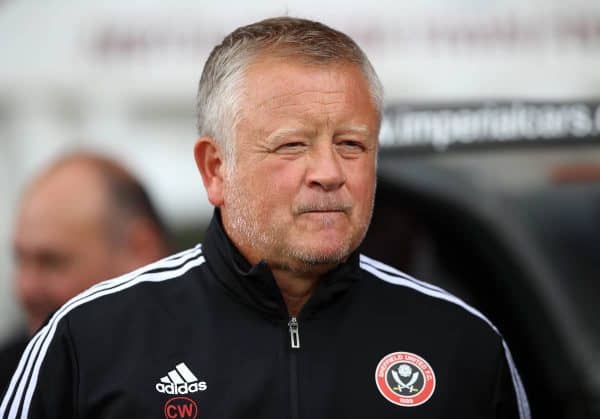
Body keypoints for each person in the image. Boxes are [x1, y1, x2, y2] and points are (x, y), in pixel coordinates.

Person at [0, 18, 530, 418]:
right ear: (215, 169)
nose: (328, 172)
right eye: (291, 145)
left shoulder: (462, 344)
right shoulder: (86, 341)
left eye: (351, 144)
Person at [0, 152, 170, 393]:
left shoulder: (217, 359)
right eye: (21, 259)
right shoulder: (11, 380)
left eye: (51, 261)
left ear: (140, 250)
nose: (24, 289)